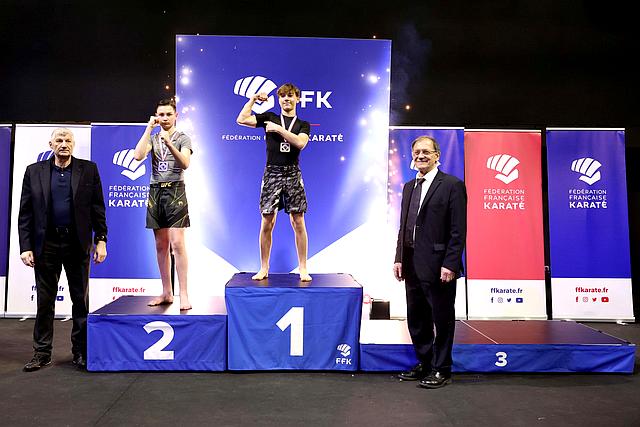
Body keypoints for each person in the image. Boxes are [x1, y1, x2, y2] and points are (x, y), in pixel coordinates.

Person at [19, 128, 108, 371]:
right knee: (45, 301)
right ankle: (42, 353)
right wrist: (26, 246)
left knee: (80, 300)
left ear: (73, 143)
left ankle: (80, 351)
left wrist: (101, 239)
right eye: (59, 140)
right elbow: (25, 213)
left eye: (68, 140)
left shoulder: (88, 170)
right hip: (45, 245)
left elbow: (98, 208)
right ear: (51, 144)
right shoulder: (33, 171)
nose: (64, 144)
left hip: (77, 244)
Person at [393, 135, 467, 389]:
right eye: (416, 152)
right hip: (411, 263)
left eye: (426, 151)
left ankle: (441, 368)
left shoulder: (452, 185)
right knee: (417, 318)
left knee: (442, 318)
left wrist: (451, 264)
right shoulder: (408, 187)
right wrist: (399, 258)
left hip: (439, 265)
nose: (421, 156)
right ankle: (425, 363)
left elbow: (458, 231)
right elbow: (403, 227)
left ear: (437, 155)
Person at [236, 83, 312, 282]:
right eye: (283, 96)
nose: (286, 99)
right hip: (272, 173)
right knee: (267, 221)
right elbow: (241, 119)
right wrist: (253, 99)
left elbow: (300, 143)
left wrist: (278, 129)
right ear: (279, 100)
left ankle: (303, 268)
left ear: (297, 99)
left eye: (290, 96)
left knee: (298, 221)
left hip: (292, 173)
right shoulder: (270, 117)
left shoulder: (303, 124)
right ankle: (264, 267)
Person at [134, 98, 193, 310]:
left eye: (169, 114)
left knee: (177, 243)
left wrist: (169, 144)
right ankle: (167, 292)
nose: (165, 118)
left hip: (176, 190)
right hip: (155, 191)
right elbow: (138, 156)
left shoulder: (183, 138)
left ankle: (183, 293)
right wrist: (148, 128)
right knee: (161, 245)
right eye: (161, 115)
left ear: (176, 116)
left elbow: (185, 163)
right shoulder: (153, 138)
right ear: (156, 116)